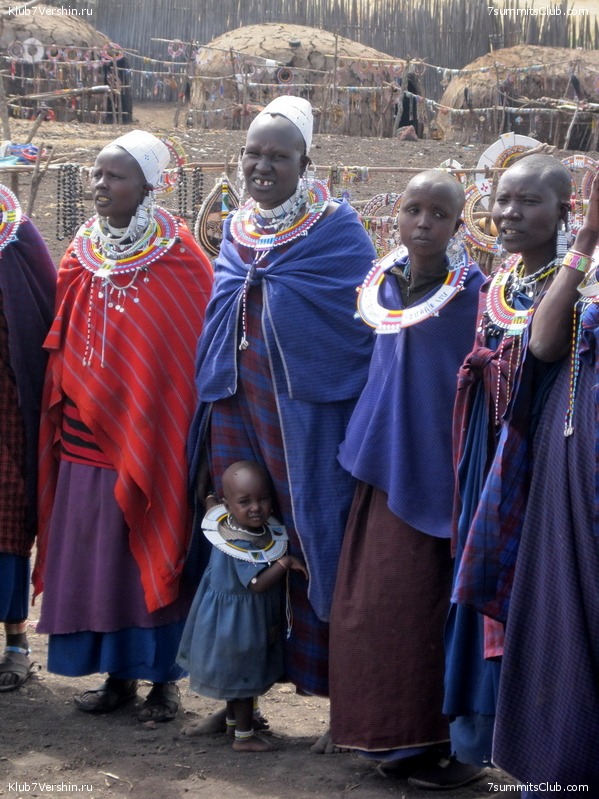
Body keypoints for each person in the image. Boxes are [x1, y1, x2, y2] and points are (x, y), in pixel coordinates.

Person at [185, 95, 376, 746]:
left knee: (315, 545)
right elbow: (223, 300)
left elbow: (357, 331)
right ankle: (239, 697)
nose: (261, 166)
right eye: (252, 154)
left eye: (276, 155)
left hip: (306, 413)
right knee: (233, 546)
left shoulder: (337, 230)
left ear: (306, 162)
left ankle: (336, 709)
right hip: (237, 404)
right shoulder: (236, 226)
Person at [33, 130, 213, 721]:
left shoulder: (181, 257)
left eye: (114, 176)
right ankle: (116, 678)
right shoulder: (81, 249)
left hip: (152, 433)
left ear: (147, 186)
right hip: (85, 437)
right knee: (99, 557)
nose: (99, 185)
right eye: (95, 174)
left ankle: (161, 681)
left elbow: (181, 353)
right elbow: (63, 334)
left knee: (148, 546)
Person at [328, 170, 485, 788]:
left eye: (439, 214)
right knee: (370, 609)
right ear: (394, 215)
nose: (423, 223)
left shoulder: (472, 292)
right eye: (412, 209)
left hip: (437, 476)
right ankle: (385, 738)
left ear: (459, 223)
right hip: (382, 469)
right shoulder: (383, 284)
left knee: (425, 609)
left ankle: (442, 744)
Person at [442, 154, 572, 780]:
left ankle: (540, 748)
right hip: (488, 459)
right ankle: (481, 742)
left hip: (545, 467)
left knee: (536, 594)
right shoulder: (500, 281)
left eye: (528, 203)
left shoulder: (577, 283)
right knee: (482, 586)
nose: (510, 214)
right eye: (502, 201)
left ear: (565, 213)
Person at [484, 173, 599, 794]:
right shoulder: (587, 264)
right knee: (565, 615)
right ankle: (566, 772)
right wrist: (586, 242)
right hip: (576, 467)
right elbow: (546, 340)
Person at [177, 460, 308, 752]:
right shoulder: (241, 545)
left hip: (226, 619)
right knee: (244, 678)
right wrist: (284, 562)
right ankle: (244, 738)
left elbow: (210, 502)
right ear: (229, 505)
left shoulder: (222, 519)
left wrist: (207, 493)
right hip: (238, 624)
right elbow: (257, 584)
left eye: (263, 499)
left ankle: (235, 723)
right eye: (245, 501)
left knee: (235, 675)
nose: (256, 508)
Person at [0, 189, 56, 691]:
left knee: (7, 520)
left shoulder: (14, 236)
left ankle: (16, 642)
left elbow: (40, 315)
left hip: (5, 409)